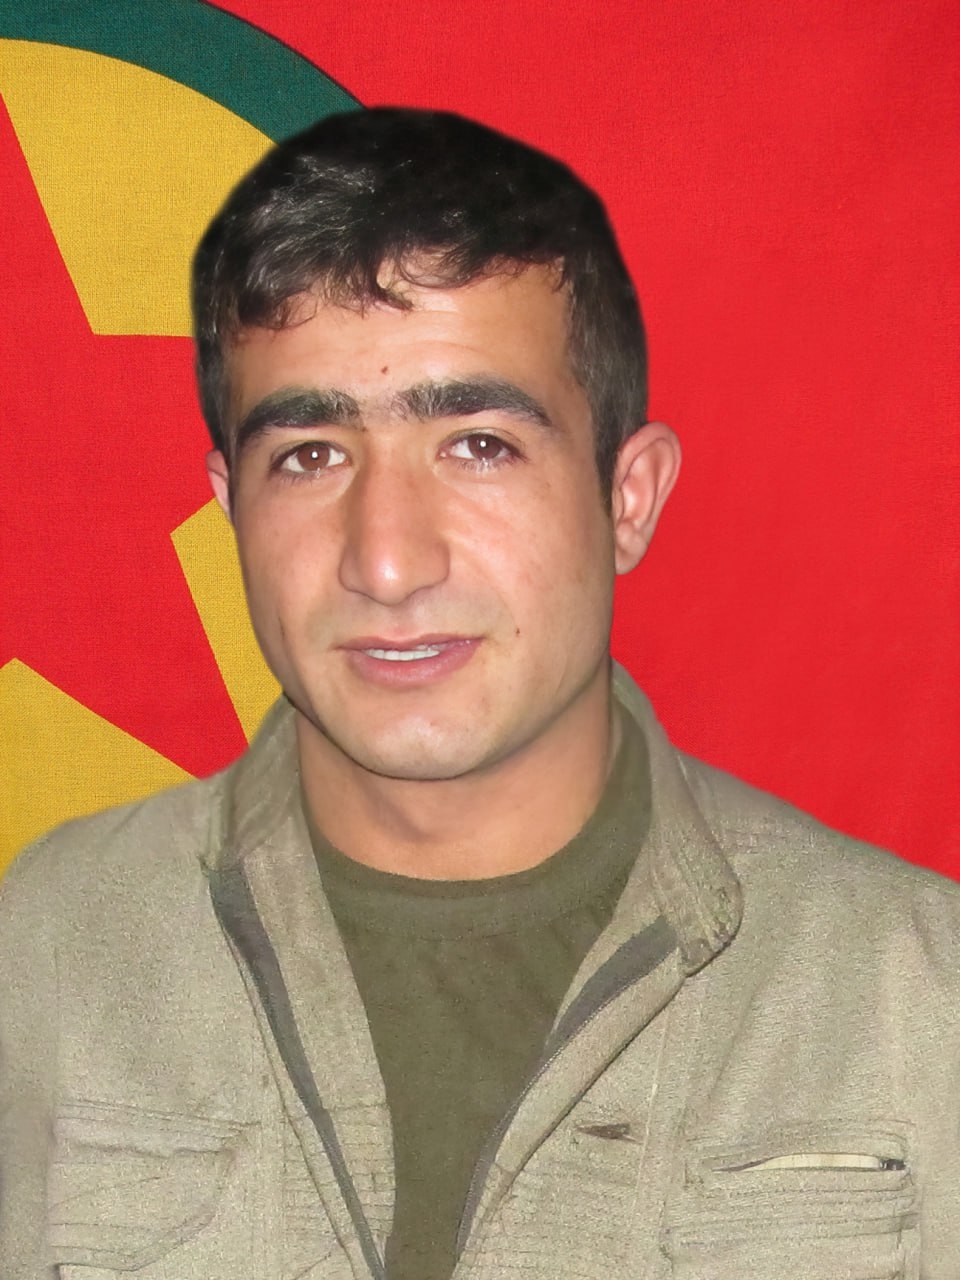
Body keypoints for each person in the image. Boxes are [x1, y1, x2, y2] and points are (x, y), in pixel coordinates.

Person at [0, 108, 957, 1280]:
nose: (387, 560)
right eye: (309, 455)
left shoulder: (913, 993)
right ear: (231, 505)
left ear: (628, 498)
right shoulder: (49, 949)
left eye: (480, 444)